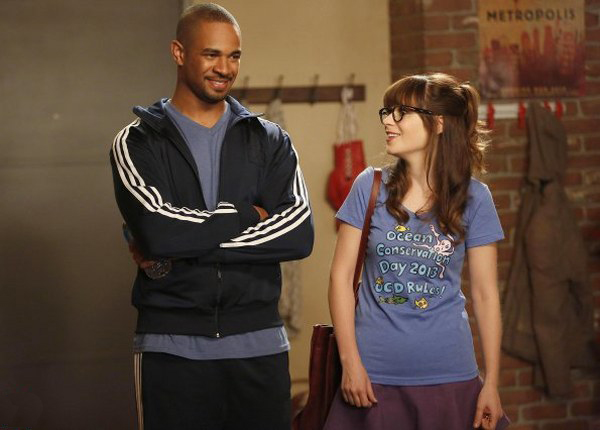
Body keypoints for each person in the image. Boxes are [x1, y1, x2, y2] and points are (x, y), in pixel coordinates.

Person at [109, 3, 314, 429]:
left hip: (260, 347)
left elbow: (298, 233)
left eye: (234, 56)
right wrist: (247, 215)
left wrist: (185, 243)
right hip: (172, 349)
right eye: (211, 54)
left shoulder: (270, 140)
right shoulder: (136, 142)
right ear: (179, 52)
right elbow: (159, 233)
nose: (225, 68)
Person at [325, 73, 509, 430]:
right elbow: (340, 278)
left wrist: (492, 383)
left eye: (401, 112)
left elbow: (486, 295)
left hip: (451, 373)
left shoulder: (476, 198)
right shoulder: (369, 186)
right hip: (372, 376)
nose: (387, 120)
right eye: (387, 111)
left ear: (438, 123)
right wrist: (350, 363)